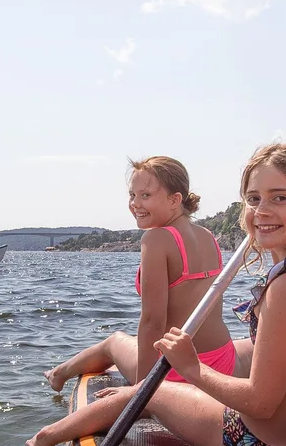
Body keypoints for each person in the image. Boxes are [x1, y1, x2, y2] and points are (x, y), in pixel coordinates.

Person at [28, 141, 286, 446]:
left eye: (280, 198)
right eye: (254, 199)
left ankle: (44, 438)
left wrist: (191, 368)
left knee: (152, 392)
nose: (262, 210)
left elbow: (260, 404)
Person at [42, 157, 238, 393]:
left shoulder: (156, 239)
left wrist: (143, 390)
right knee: (126, 343)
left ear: (175, 199)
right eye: (132, 195)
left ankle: (57, 374)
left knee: (114, 342)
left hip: (177, 370)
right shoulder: (207, 235)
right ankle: (58, 373)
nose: (135, 203)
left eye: (145, 195)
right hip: (223, 362)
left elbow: (152, 322)